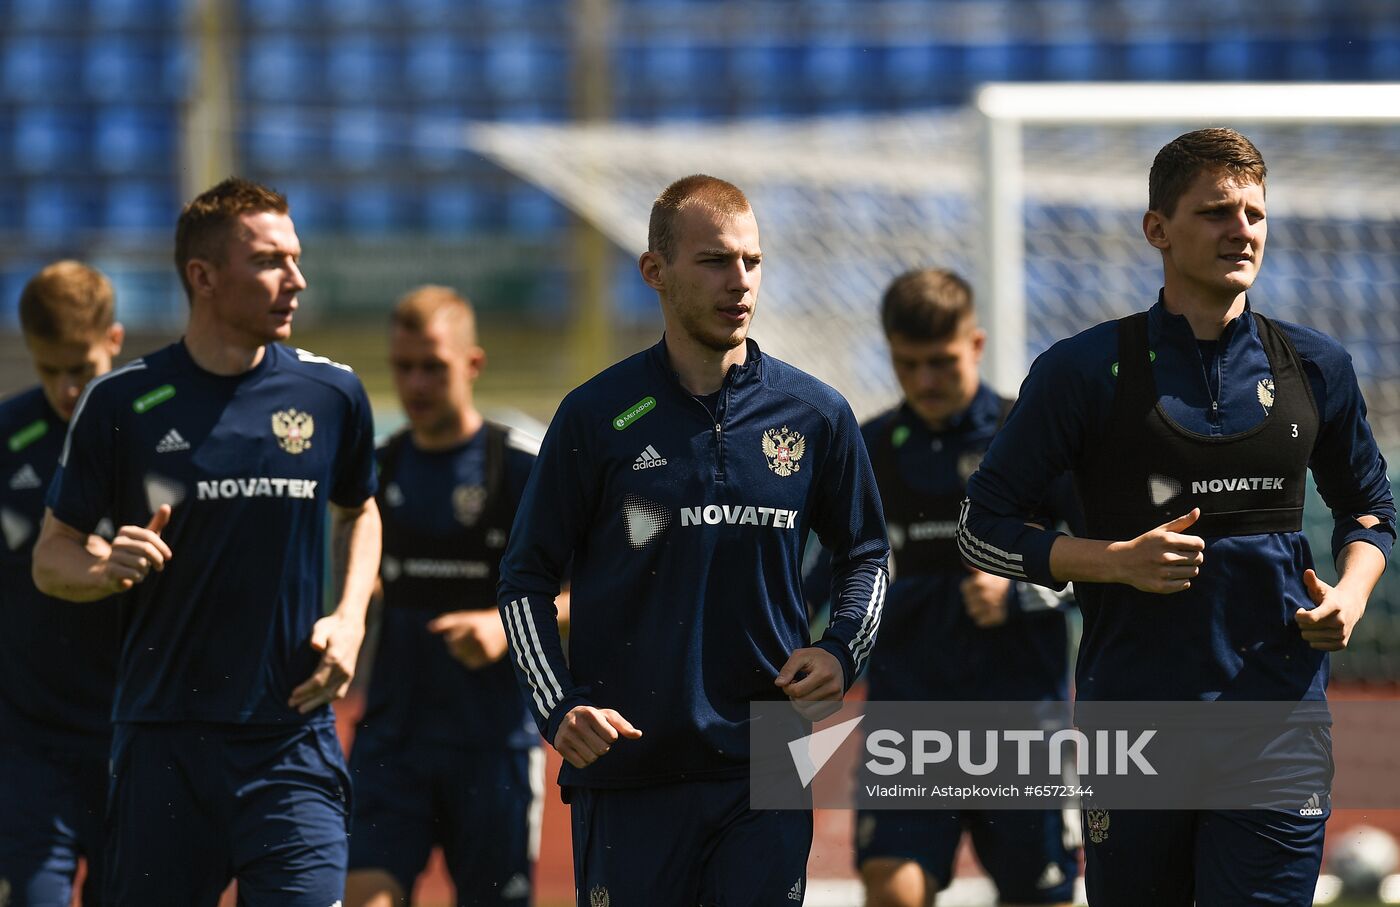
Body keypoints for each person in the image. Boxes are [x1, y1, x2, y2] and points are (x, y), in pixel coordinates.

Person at [959, 128, 1394, 904]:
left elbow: (1369, 507)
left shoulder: (1315, 365)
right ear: (1157, 229)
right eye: (1217, 211)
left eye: (1255, 213)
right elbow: (981, 525)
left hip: (1277, 725)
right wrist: (1111, 560)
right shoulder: (1082, 371)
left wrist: (1350, 594)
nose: (1243, 230)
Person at [497, 174, 890, 906]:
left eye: (751, 261)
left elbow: (866, 552)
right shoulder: (596, 415)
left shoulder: (816, 414)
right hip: (631, 761)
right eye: (714, 260)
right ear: (655, 270)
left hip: (769, 759)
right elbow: (524, 579)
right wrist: (558, 707)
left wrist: (841, 648)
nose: (738, 281)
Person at [33, 177, 382, 907]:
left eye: (296, 257)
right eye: (270, 262)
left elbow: (361, 510)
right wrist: (104, 569)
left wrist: (349, 617)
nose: (297, 279)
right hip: (165, 746)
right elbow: (52, 555)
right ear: (203, 276)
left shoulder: (333, 394)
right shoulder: (121, 403)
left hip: (292, 738)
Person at [838, 268, 1078, 907]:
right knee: (893, 889)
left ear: (975, 344)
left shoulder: (1028, 435)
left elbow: (1108, 563)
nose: (924, 381)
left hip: (1025, 724)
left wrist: (1023, 591)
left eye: (940, 362)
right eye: (906, 364)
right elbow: (821, 580)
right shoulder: (867, 450)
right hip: (909, 723)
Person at [345, 286, 550, 907]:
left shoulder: (520, 470)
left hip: (493, 746)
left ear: (473, 364)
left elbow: (590, 591)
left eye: (432, 365)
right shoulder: (373, 472)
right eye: (403, 367)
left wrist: (503, 626)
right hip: (392, 742)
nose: (416, 383)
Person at [0, 261, 124, 906]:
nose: (69, 388)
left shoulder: (157, 436)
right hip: (28, 745)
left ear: (116, 341)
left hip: (133, 744)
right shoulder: (6, 438)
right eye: (52, 370)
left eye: (83, 367)